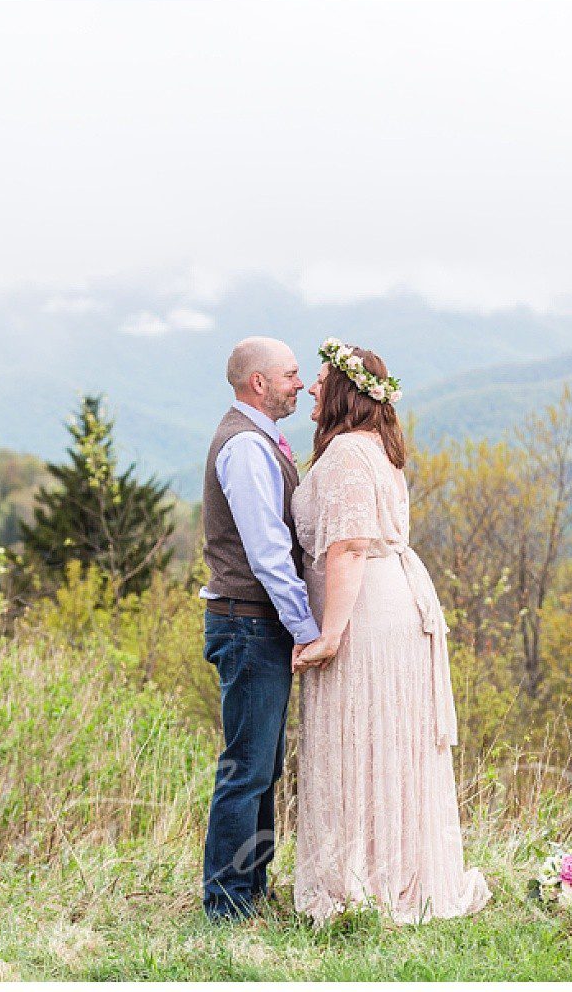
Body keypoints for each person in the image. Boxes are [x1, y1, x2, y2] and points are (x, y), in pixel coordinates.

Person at [290, 337, 490, 926]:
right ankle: (386, 869)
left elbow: (348, 547)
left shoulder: (349, 454)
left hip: (367, 617)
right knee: (382, 738)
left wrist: (329, 634)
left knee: (363, 736)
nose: (311, 386)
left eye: (322, 378)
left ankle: (367, 879)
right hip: (388, 606)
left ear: (345, 391)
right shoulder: (375, 448)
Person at [199, 336, 320, 923]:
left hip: (252, 625)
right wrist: (305, 627)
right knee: (246, 769)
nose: (301, 383)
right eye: (292, 374)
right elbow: (269, 552)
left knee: (262, 768)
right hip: (248, 624)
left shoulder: (256, 440)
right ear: (259, 384)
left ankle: (251, 888)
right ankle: (226, 905)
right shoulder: (246, 448)